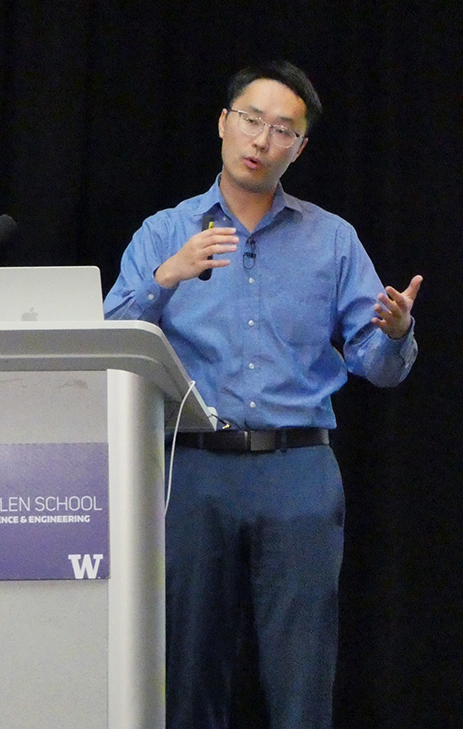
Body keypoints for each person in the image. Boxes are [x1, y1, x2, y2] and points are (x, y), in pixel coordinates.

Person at [103, 61, 422, 729]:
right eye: (251, 120)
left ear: (299, 148)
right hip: (190, 469)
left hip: (298, 470)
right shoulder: (166, 230)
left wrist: (394, 334)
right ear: (223, 123)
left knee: (301, 669)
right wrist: (168, 276)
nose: (262, 139)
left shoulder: (331, 239)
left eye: (283, 130)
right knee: (187, 665)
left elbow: (378, 365)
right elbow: (109, 342)